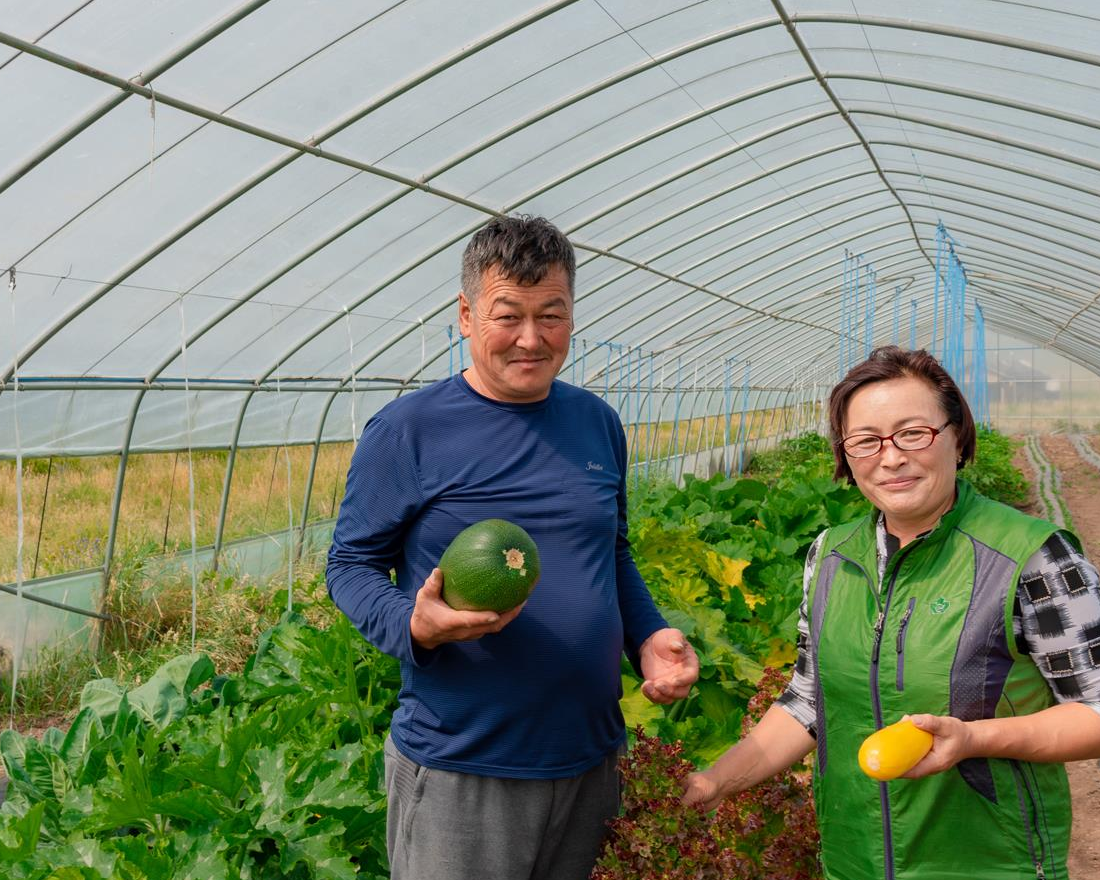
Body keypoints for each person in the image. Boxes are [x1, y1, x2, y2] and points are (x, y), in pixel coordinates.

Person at [327, 214, 698, 880]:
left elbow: (610, 552)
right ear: (467, 316)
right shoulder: (409, 431)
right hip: (463, 770)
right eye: (509, 316)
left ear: (573, 316)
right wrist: (412, 623)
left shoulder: (597, 423)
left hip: (589, 760)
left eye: (551, 315)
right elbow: (349, 566)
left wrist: (647, 635)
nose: (531, 339)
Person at [683, 346, 1100, 880]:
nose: (892, 457)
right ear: (845, 454)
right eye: (866, 441)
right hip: (853, 860)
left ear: (956, 435)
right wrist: (715, 781)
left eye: (913, 433)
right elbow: (809, 702)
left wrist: (975, 739)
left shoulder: (1031, 554)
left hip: (990, 863)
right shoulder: (829, 555)